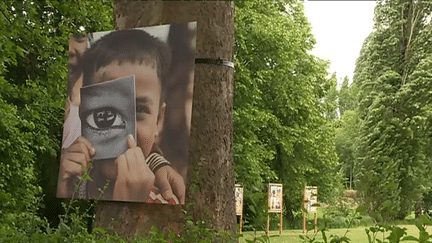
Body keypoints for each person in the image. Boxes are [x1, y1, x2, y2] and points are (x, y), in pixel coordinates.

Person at [57, 29, 185, 204]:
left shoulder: (168, 201)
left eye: (139, 109)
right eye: (105, 113)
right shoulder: (68, 180)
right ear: (82, 112)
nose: (123, 132)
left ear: (159, 120)